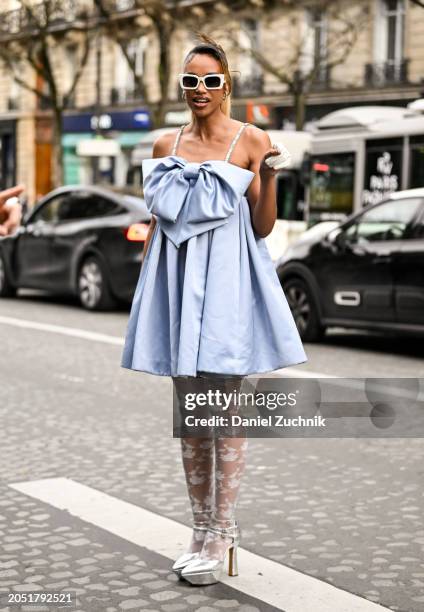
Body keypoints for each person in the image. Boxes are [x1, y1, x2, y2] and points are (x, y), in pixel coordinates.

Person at [121, 33, 308, 585]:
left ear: (227, 85)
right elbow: (159, 225)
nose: (199, 90)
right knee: (192, 419)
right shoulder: (164, 145)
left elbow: (261, 228)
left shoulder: (251, 139)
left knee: (224, 417)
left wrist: (269, 175)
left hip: (228, 287)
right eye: (190, 81)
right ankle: (199, 529)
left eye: (210, 81)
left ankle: (224, 534)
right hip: (179, 289)